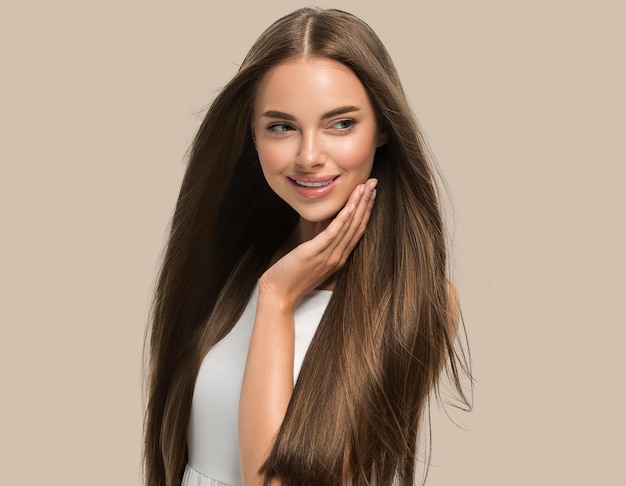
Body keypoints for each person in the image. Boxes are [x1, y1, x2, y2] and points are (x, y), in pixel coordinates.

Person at [144, 7, 471, 486]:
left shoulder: (416, 301)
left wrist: (278, 300)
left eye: (341, 124)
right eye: (281, 126)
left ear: (382, 128)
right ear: (252, 135)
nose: (310, 156)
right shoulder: (235, 262)